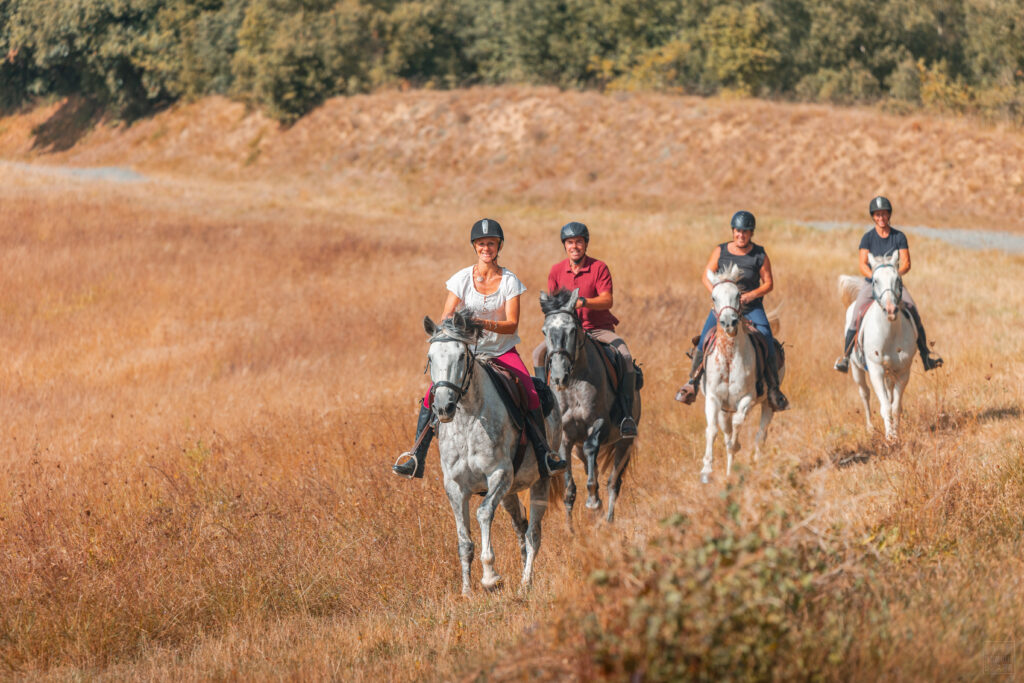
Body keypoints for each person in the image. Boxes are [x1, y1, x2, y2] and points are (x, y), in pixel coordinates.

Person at [393, 218, 566, 479]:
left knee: (530, 392)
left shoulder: (510, 281)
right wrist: (455, 323)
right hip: (469, 354)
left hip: (502, 351)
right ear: (475, 246)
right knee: (432, 393)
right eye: (482, 243)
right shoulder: (461, 278)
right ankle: (417, 455)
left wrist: (482, 322)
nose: (487, 248)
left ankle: (544, 454)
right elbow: (446, 314)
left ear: (499, 246)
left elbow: (511, 324)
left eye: (492, 243)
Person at [531, 221, 638, 438]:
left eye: (579, 242)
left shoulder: (599, 268)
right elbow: (554, 307)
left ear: (585, 244)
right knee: (537, 355)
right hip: (566, 333)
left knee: (625, 356)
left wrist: (584, 302)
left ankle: (626, 415)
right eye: (570, 242)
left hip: (597, 329)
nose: (574, 246)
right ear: (565, 245)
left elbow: (607, 300)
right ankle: (544, 410)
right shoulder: (556, 271)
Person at [677, 210, 789, 410]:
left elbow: (768, 284)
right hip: (723, 309)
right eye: (738, 231)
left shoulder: (759, 254)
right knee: (704, 339)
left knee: (766, 337)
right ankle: (692, 384)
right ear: (732, 231)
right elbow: (706, 275)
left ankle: (773, 388)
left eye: (745, 232)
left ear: (751, 233)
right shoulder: (720, 251)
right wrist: (717, 295)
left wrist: (751, 295)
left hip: (750, 308)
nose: (741, 235)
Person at [834, 196, 943, 373]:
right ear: (873, 217)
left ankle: (925, 356)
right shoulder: (867, 238)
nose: (881, 218)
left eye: (884, 214)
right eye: (877, 215)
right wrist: (877, 276)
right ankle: (845, 357)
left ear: (889, 215)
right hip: (872, 283)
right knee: (856, 314)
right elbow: (862, 264)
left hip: (893, 283)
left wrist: (893, 276)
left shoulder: (899, 237)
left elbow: (906, 262)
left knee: (913, 310)